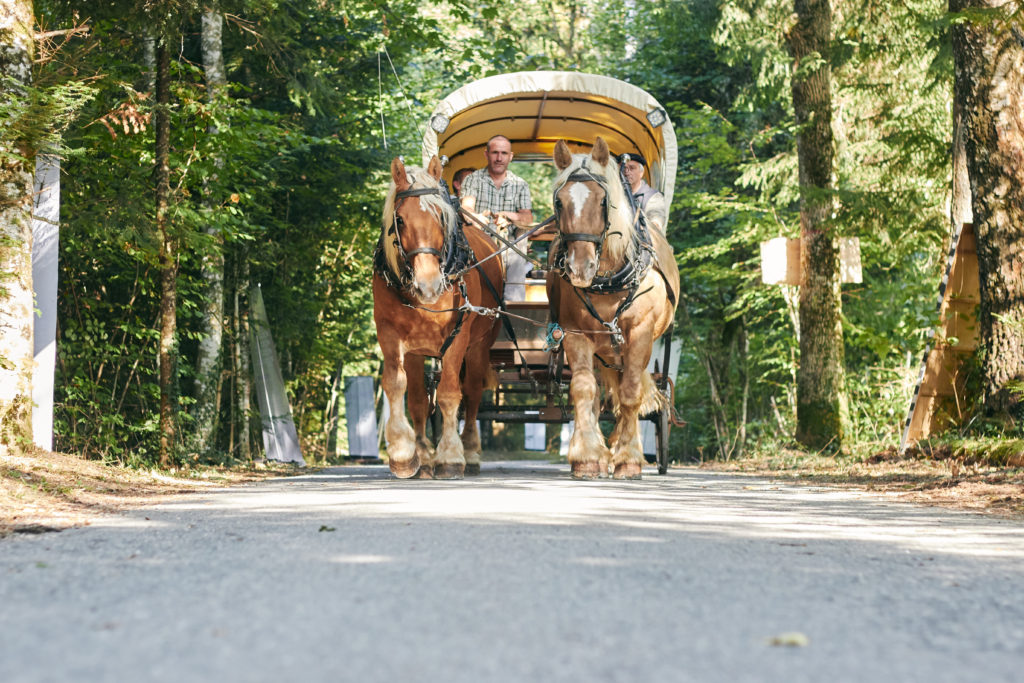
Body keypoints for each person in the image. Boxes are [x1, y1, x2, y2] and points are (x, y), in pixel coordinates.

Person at [461, 135, 534, 299]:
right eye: (495, 153)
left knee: (521, 240)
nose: (499, 158)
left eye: (504, 153)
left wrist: (507, 216)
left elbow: (527, 218)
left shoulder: (520, 184)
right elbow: (466, 207)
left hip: (510, 246)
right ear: (486, 155)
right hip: (480, 244)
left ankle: (513, 304)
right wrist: (476, 218)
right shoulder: (473, 179)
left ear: (511, 156)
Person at [619, 152, 667, 234]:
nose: (627, 172)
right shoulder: (613, 195)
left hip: (642, 242)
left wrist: (653, 225)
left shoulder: (653, 196)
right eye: (623, 168)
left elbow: (656, 219)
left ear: (641, 173)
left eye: (632, 168)